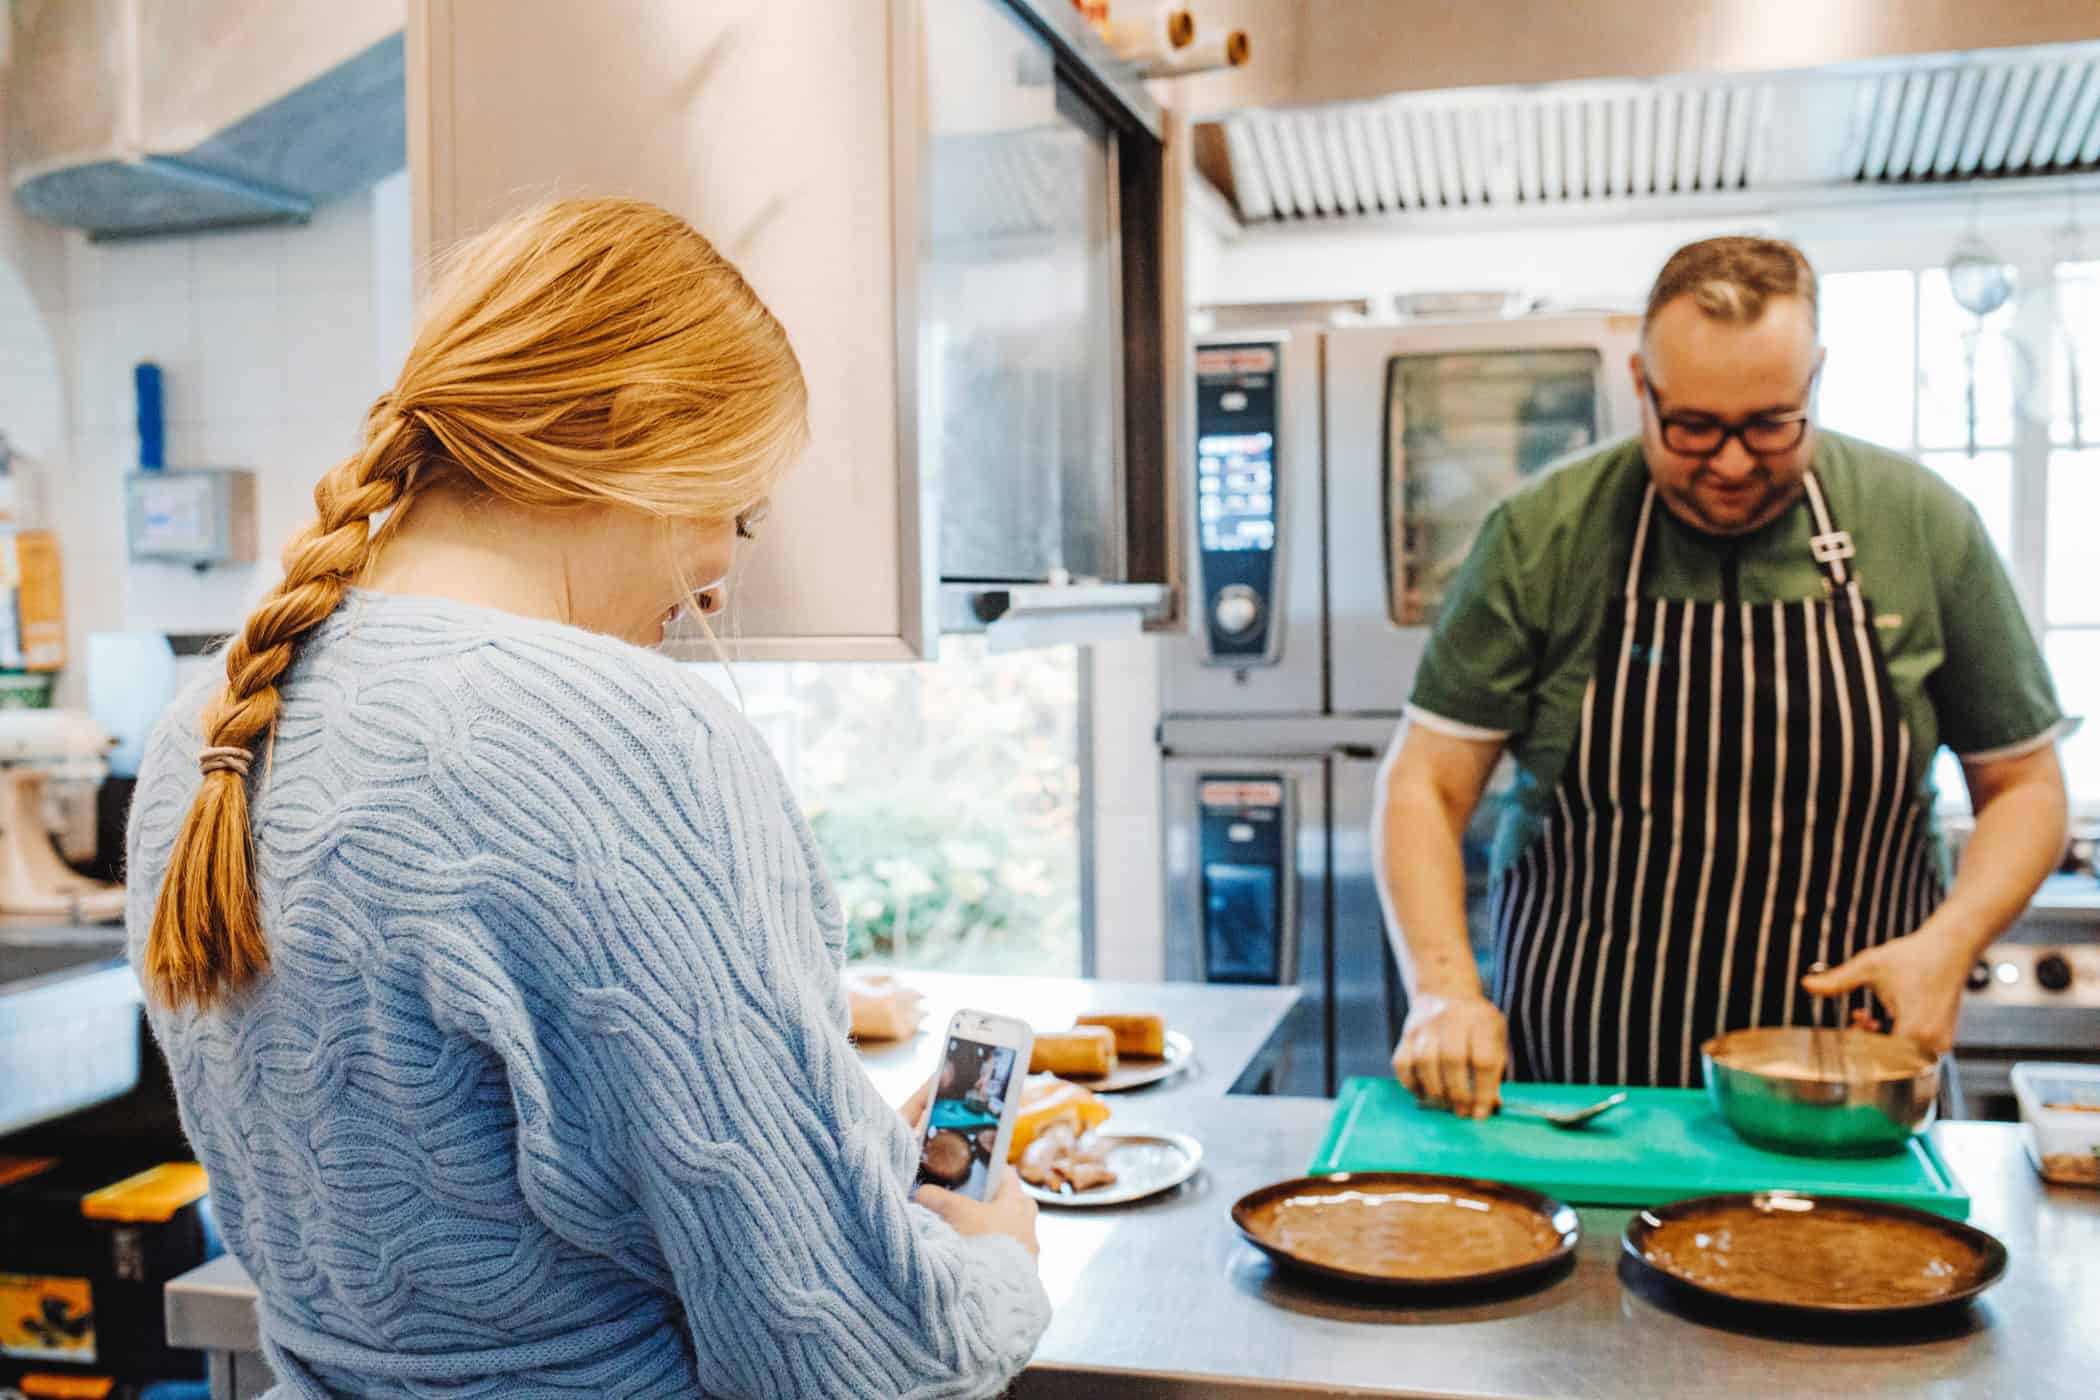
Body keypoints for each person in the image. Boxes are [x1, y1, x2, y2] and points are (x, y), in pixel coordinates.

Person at [127, 199, 1049, 1396]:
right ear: (643, 428)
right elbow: (850, 1358)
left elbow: (483, 1183)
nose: (719, 584)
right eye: (742, 509)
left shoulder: (201, 730)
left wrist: (829, 1136)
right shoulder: (622, 742)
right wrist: (987, 1259)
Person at [1377, 236, 2068, 1117]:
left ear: (1815, 379)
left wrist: (1950, 942)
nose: (1733, 464)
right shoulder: (1543, 534)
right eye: (1693, 426)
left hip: (1848, 1086)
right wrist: (1442, 988)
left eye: (1770, 424)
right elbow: (1425, 783)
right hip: (1587, 1083)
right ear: (1641, 384)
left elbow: (2026, 784)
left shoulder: (1923, 526)